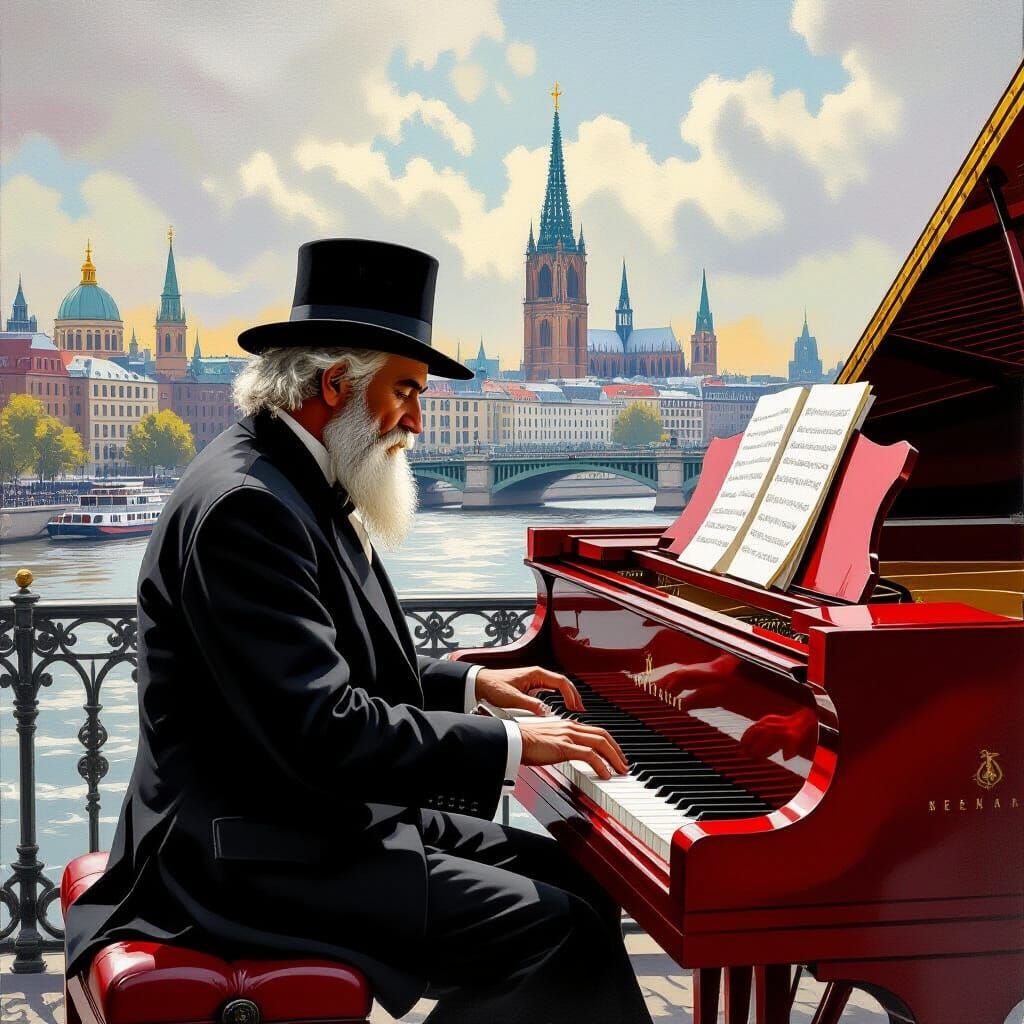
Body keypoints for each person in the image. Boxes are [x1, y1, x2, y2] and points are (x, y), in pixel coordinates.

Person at [65, 239, 654, 1024]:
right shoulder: (248, 509)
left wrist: (473, 686)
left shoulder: (294, 476)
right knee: (556, 933)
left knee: (580, 881)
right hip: (242, 859)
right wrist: (513, 745)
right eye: (405, 390)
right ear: (334, 384)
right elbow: (324, 727)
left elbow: (330, 669)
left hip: (299, 821)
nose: (418, 419)